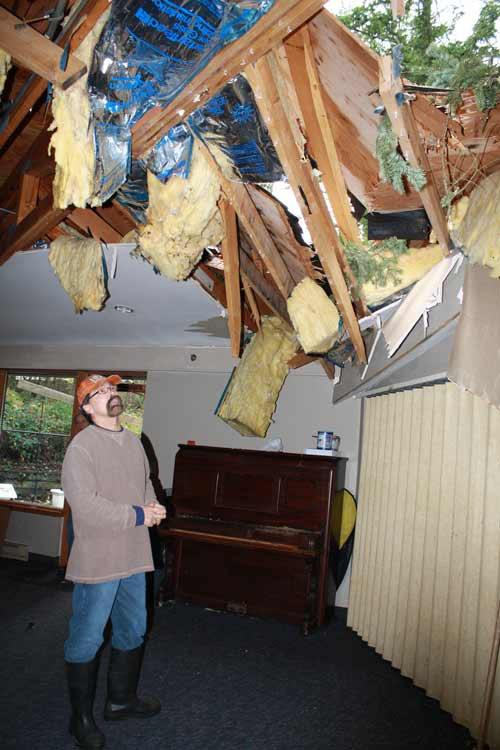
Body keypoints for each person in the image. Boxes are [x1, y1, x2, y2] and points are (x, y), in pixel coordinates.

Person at [61, 374, 167, 750]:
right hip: (99, 560)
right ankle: (81, 719)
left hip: (135, 557)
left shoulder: (134, 442)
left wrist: (152, 503)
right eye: (100, 393)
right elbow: (85, 506)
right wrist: (139, 515)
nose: (110, 395)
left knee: (133, 630)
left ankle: (120, 701)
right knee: (86, 638)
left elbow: (144, 483)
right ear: (87, 408)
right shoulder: (81, 447)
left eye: (112, 389)